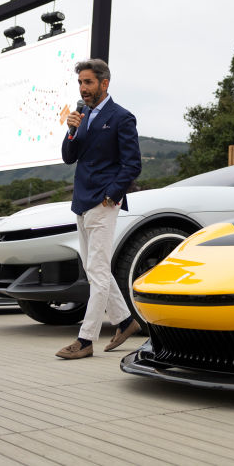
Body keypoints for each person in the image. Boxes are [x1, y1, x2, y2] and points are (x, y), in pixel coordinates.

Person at [56, 58, 143, 360]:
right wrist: (71, 131)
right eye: (80, 82)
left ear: (104, 83)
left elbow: (132, 164)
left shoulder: (122, 117)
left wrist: (112, 194)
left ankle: (85, 339)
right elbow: (69, 157)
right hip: (81, 201)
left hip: (104, 202)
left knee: (97, 270)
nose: (83, 88)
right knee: (96, 269)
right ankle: (126, 321)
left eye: (88, 82)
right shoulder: (81, 115)